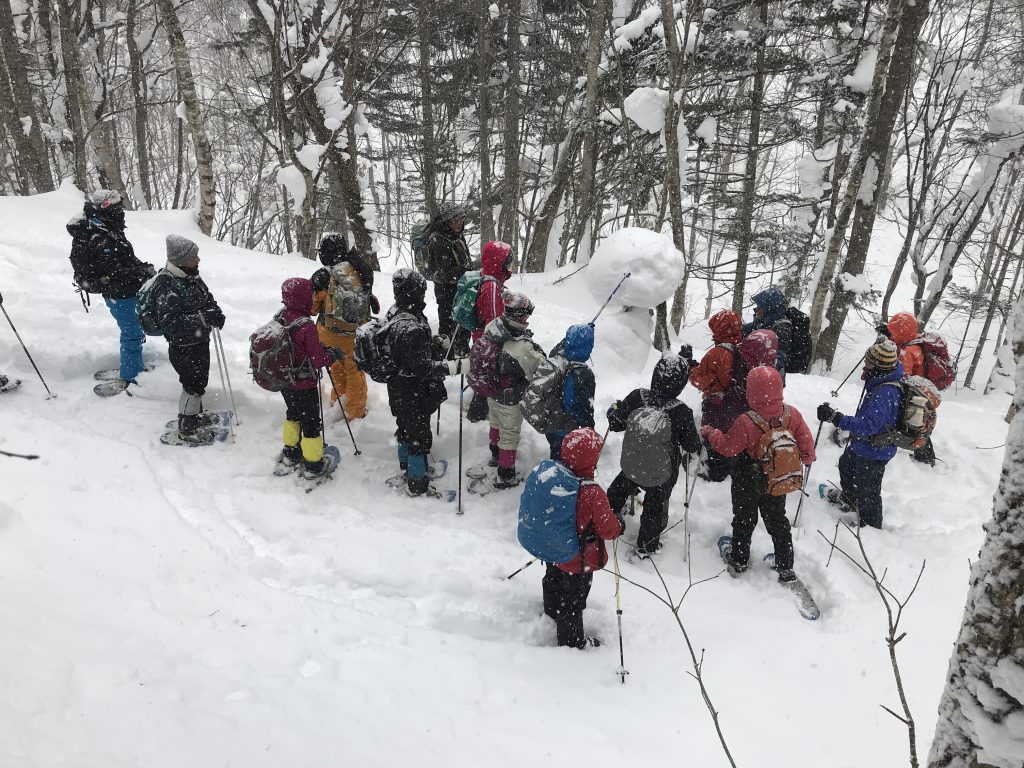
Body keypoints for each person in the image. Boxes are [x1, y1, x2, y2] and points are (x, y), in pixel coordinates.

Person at [701, 366, 816, 581]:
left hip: (747, 478)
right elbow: (807, 444)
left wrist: (711, 433)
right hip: (776, 478)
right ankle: (785, 564)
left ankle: (740, 558)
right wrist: (807, 458)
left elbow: (727, 448)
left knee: (744, 518)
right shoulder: (791, 414)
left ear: (751, 391)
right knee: (777, 519)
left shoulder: (747, 421)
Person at [606, 354, 701, 558]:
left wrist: (614, 411)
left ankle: (607, 517)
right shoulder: (681, 412)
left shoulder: (637, 397)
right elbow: (692, 445)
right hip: (661, 473)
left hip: (631, 464)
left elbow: (615, 423)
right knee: (654, 507)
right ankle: (646, 547)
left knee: (620, 487)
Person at [385, 268, 468, 497]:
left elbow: (406, 352)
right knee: (418, 436)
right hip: (414, 391)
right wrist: (454, 367)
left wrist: (432, 343)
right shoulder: (411, 326)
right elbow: (422, 367)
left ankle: (408, 467)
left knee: (405, 428)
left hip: (398, 388)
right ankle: (417, 482)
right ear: (415, 292)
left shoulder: (396, 314)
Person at [542, 428, 624, 649]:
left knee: (552, 580)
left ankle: (551, 611)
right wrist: (619, 526)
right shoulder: (592, 493)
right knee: (573, 600)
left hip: (554, 549)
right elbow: (608, 529)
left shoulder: (554, 478)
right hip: (579, 560)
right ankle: (570, 642)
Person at [67, 189, 154, 389]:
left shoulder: (108, 228)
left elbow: (126, 259)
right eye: (116, 207)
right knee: (132, 333)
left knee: (135, 331)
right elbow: (115, 273)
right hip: (120, 294)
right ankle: (130, 377)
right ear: (105, 209)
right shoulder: (100, 238)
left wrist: (143, 267)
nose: (121, 211)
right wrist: (141, 271)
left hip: (127, 291)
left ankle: (134, 367)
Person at [817, 340, 903, 529]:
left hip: (875, 450)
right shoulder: (879, 381)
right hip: (864, 444)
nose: (865, 365)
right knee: (846, 466)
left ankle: (871, 529)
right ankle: (851, 501)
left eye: (869, 362)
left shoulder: (886, 392)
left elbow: (869, 425)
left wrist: (836, 418)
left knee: (868, 491)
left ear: (879, 366)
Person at [467, 293, 546, 489]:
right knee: (509, 433)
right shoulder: (520, 347)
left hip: (491, 390)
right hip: (510, 397)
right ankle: (506, 473)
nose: (527, 319)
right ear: (519, 317)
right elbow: (539, 368)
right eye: (526, 316)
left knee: (495, 422)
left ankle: (495, 454)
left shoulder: (493, 327)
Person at [152, 235, 224, 443]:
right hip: (183, 347)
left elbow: (206, 298)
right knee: (193, 385)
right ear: (182, 259)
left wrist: (214, 311)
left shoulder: (191, 276)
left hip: (199, 341)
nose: (198, 260)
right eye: (194, 256)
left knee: (198, 381)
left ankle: (195, 415)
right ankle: (187, 426)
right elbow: (171, 323)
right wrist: (203, 318)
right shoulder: (167, 284)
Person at [275, 277, 343, 478]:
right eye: (310, 293)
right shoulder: (306, 325)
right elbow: (318, 359)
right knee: (311, 423)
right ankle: (314, 465)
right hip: (304, 384)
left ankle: (291, 452)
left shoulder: (281, 316)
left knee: (293, 414)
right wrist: (332, 355)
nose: (313, 297)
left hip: (285, 380)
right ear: (302, 296)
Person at [310, 232, 378, 421]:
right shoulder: (359, 272)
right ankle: (355, 412)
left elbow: (313, 308)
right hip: (354, 335)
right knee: (354, 371)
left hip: (328, 334)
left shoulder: (321, 276)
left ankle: (338, 402)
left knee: (336, 370)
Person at [689, 309, 743, 481]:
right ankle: (731, 463)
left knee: (713, 436)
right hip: (735, 404)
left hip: (716, 405)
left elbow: (700, 380)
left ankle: (716, 471)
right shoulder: (740, 348)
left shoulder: (716, 353)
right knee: (729, 436)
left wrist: (692, 371)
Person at [466, 240, 514, 422]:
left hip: (482, 337)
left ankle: (480, 412)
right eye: (506, 261)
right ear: (498, 262)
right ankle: (477, 415)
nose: (509, 265)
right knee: (487, 377)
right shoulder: (492, 286)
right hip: (487, 341)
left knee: (485, 376)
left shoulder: (489, 278)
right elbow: (495, 323)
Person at [883, 311, 935, 466]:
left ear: (902, 331)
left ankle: (924, 454)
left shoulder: (909, 351)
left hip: (909, 393)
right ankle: (925, 454)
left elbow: (900, 374)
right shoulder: (911, 343)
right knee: (916, 422)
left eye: (894, 330)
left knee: (913, 423)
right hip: (912, 391)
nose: (892, 333)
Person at [544, 323, 596, 460]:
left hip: (551, 419)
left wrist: (581, 333)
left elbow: (564, 345)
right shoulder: (584, 374)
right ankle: (560, 478)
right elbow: (586, 407)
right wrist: (590, 430)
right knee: (564, 459)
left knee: (555, 451)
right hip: (567, 427)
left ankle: (554, 474)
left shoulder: (557, 355)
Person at [428, 203, 472, 351]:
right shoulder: (438, 241)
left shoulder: (457, 235)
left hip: (461, 289)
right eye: (455, 220)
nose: (459, 223)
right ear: (447, 221)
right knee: (448, 326)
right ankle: (446, 357)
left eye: (461, 219)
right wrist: (467, 272)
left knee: (463, 324)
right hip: (446, 292)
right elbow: (445, 273)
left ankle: (462, 350)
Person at [743, 286, 792, 376]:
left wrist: (767, 376)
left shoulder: (782, 327)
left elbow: (779, 356)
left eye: (759, 307)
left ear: (769, 308)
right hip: (754, 372)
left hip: (767, 378)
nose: (756, 310)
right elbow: (743, 330)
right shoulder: (763, 321)